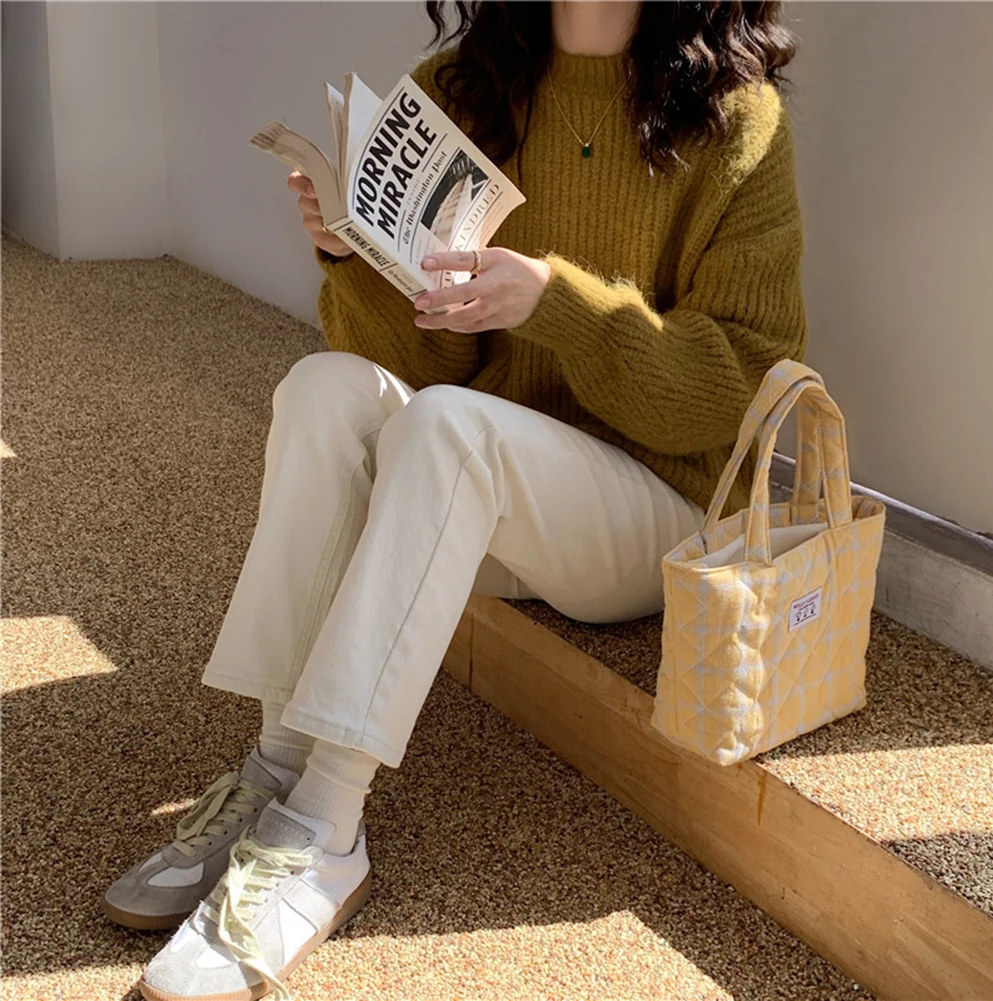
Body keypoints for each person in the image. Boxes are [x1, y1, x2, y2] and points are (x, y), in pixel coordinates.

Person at [111, 2, 805, 999]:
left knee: (447, 429)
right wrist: (354, 260)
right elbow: (418, 368)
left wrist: (557, 305)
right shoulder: (461, 92)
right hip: (476, 481)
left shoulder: (734, 122)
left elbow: (735, 385)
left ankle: (323, 829)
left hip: (648, 507)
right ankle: (274, 771)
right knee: (324, 389)